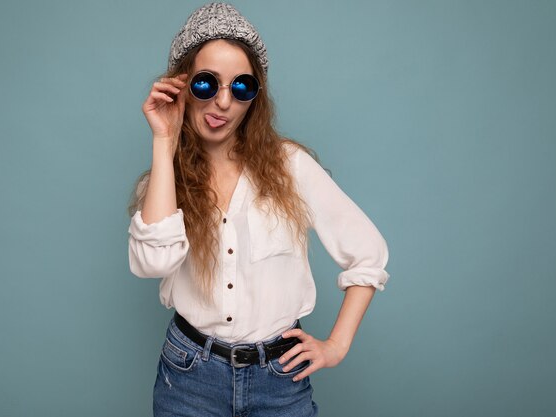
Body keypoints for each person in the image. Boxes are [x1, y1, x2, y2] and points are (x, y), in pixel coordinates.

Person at [127, 3, 389, 416]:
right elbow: (153, 262)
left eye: (242, 87)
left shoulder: (291, 167)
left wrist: (336, 345)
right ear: (180, 85)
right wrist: (164, 140)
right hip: (190, 377)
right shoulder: (162, 181)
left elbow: (368, 253)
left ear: (256, 96)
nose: (224, 103)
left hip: (280, 379)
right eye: (206, 84)